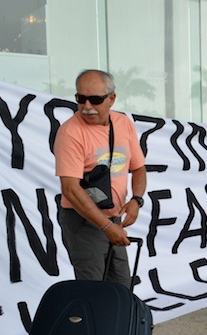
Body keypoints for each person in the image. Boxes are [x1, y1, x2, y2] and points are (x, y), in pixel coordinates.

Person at [55, 69, 147, 288]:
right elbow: (70, 189)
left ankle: (119, 323)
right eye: (80, 99)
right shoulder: (70, 132)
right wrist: (106, 227)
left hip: (113, 217)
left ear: (111, 99)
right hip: (84, 221)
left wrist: (136, 200)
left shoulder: (123, 123)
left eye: (95, 100)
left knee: (121, 285)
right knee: (94, 289)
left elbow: (139, 168)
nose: (87, 107)